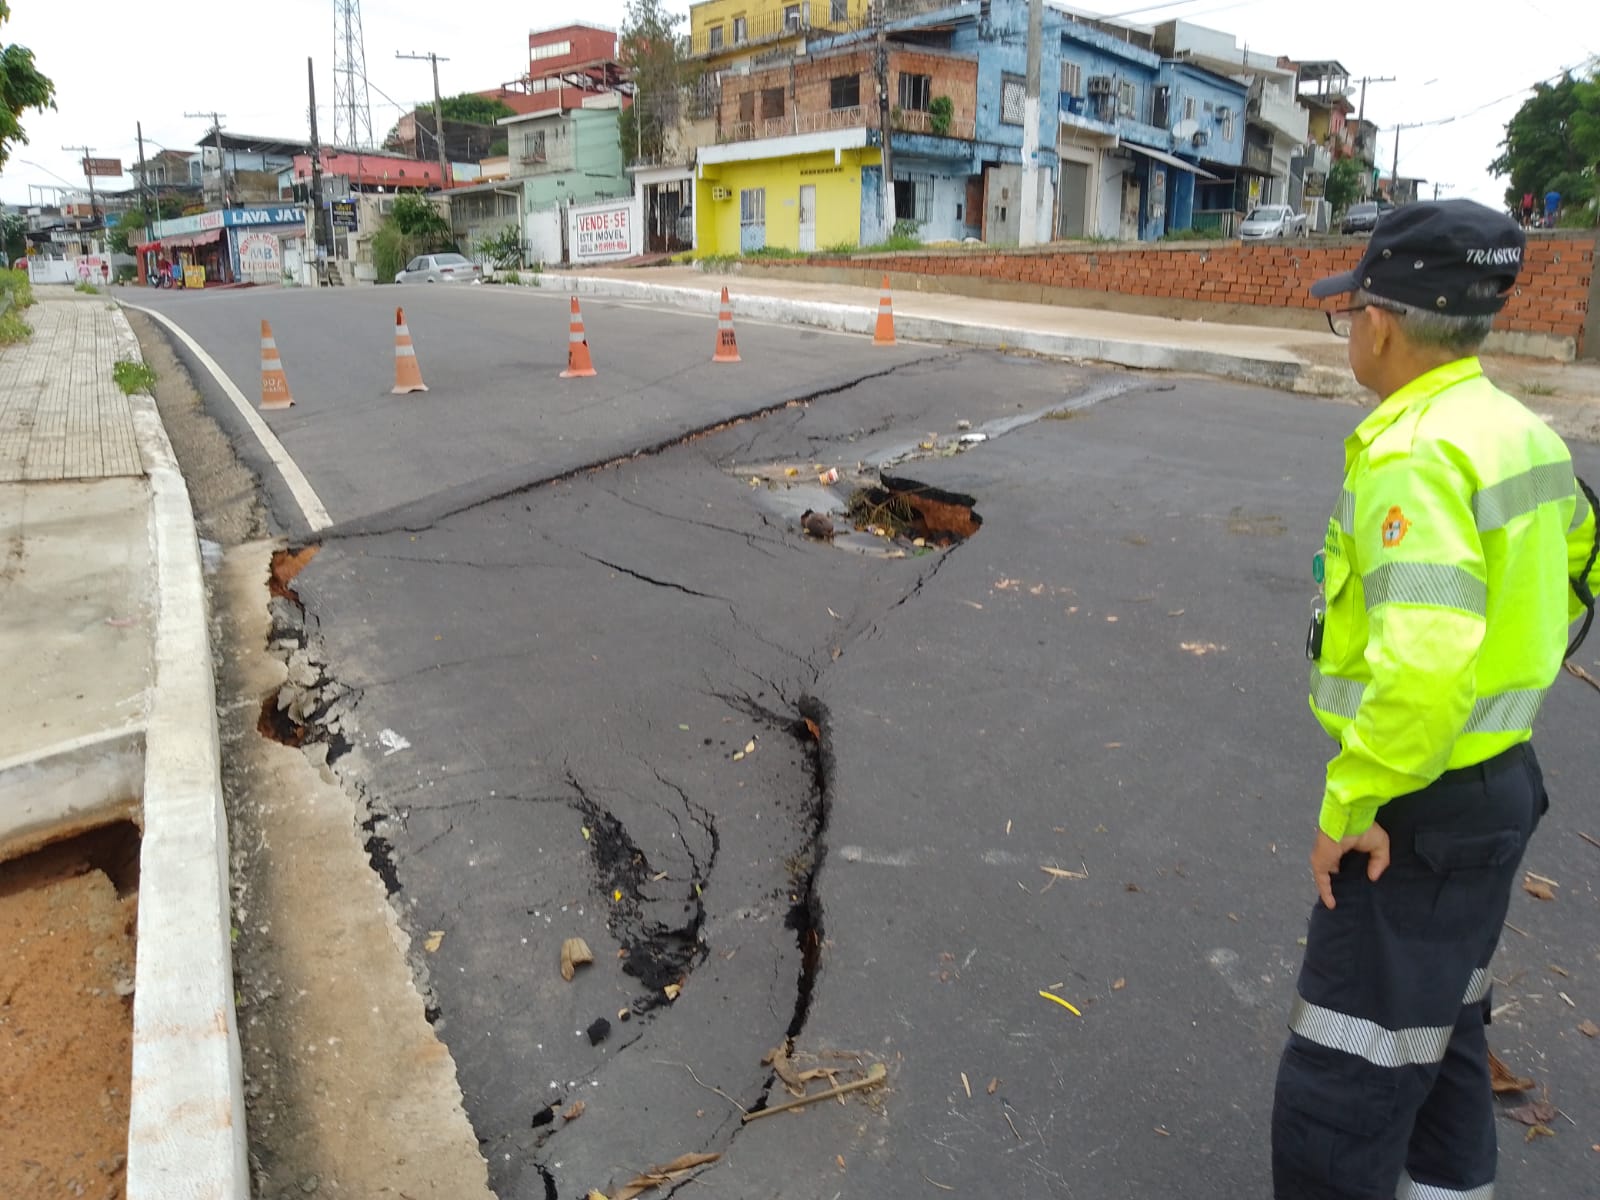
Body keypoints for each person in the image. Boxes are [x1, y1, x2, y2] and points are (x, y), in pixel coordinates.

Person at [1275, 198, 1600, 1200]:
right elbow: (1580, 570)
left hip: (1415, 809)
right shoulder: (1519, 432)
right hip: (1497, 784)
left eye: (1348, 314)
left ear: (1379, 322)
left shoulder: (1414, 450)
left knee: (1345, 1075)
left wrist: (1354, 800)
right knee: (1442, 1026)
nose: (1348, 332)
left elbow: (1422, 664)